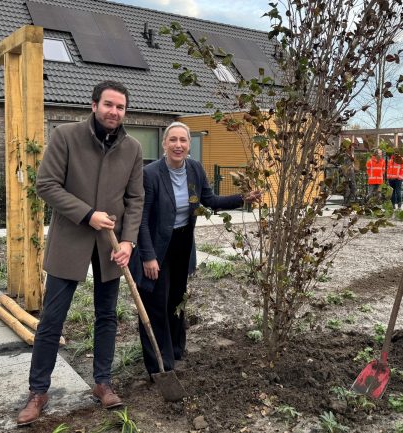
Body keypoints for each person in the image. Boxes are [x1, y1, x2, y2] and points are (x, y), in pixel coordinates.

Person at [17, 80, 144, 426]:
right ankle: (38, 391)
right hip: (70, 239)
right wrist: (87, 214)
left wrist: (129, 241)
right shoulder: (66, 136)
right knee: (52, 318)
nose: (114, 112)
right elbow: (46, 185)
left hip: (110, 245)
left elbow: (135, 199)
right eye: (108, 105)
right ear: (94, 105)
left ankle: (103, 382)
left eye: (120, 107)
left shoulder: (132, 148)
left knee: (107, 316)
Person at [130, 121, 261, 375]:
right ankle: (159, 364)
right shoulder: (151, 174)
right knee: (155, 303)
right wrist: (147, 256)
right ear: (164, 144)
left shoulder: (194, 169)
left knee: (177, 299)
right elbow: (141, 219)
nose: (178, 145)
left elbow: (210, 200)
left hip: (182, 244)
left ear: (189, 144)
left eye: (183, 140)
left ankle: (176, 350)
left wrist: (242, 198)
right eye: (173, 140)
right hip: (157, 246)